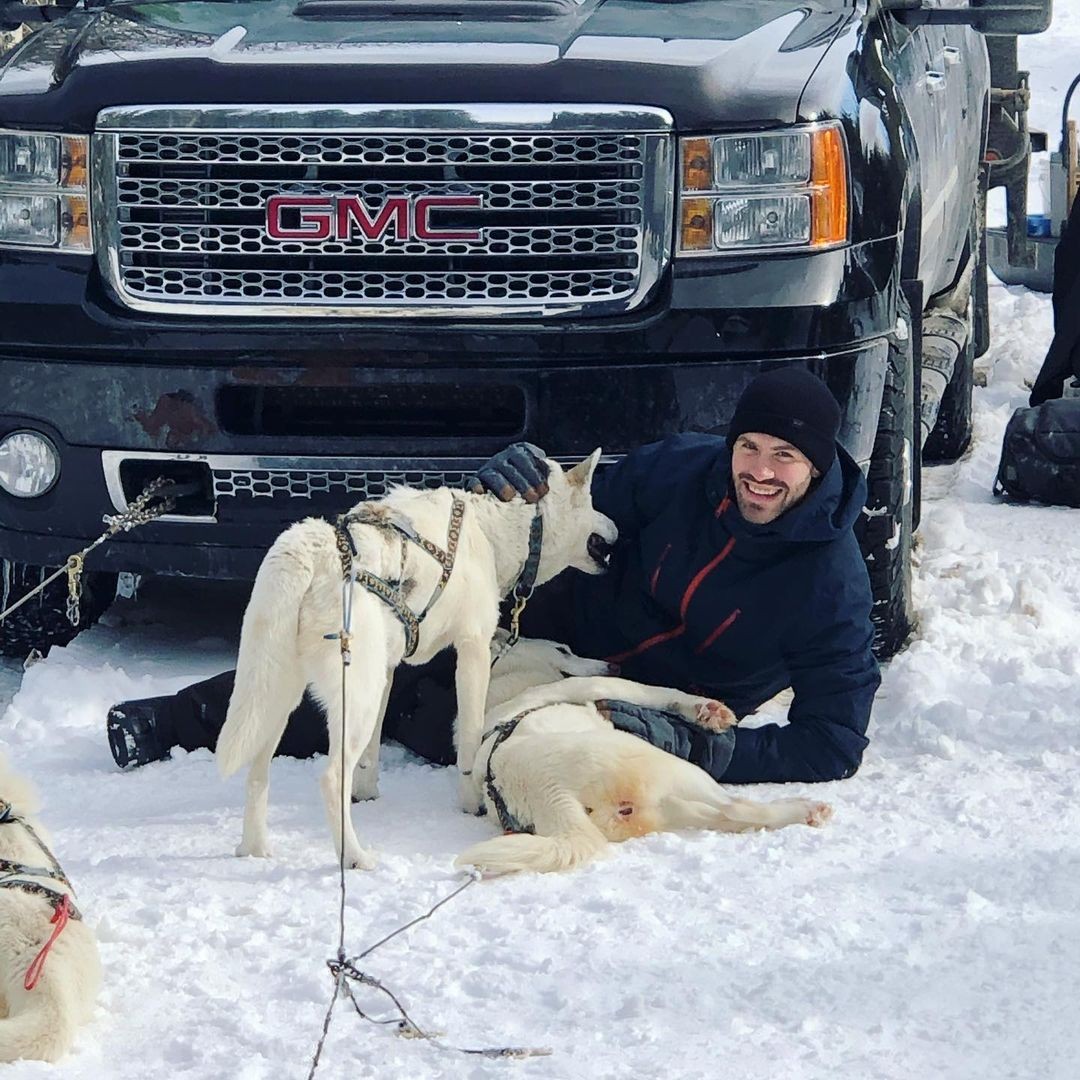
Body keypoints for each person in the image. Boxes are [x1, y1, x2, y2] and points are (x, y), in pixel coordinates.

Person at [106, 368, 880, 785]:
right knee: (393, 654)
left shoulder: (830, 584)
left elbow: (833, 741)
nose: (761, 473)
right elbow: (565, 508)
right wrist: (506, 489)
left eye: (785, 457)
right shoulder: (684, 472)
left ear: (816, 467)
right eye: (751, 449)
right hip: (563, 627)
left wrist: (716, 755)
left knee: (453, 731)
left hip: (647, 709)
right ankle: (176, 722)